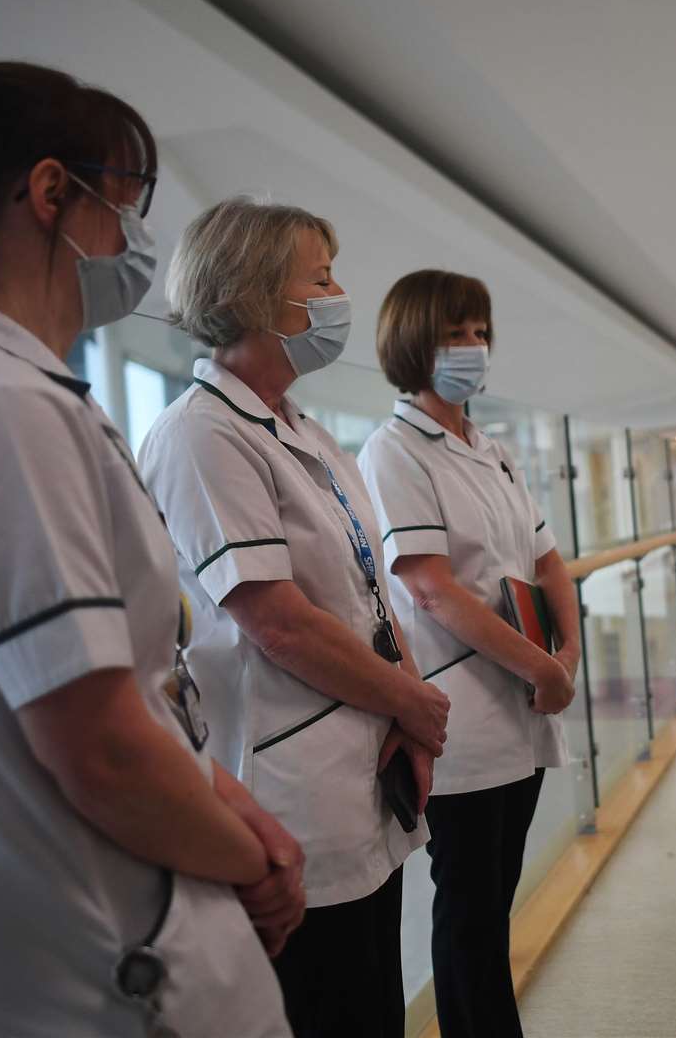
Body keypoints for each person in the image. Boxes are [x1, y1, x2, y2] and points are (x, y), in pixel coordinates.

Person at [0, 62, 296, 1036]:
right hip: (92, 983)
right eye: (127, 204)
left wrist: (229, 806)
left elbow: (127, 705)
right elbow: (101, 747)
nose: (136, 242)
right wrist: (260, 865)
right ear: (48, 194)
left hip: (87, 964)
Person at [139, 198, 447, 1037]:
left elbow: (368, 594)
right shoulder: (199, 434)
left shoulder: (305, 433)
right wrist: (407, 702)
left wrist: (411, 714)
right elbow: (274, 619)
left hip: (364, 770)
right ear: (253, 292)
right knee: (326, 1009)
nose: (337, 293)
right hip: (289, 787)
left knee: (373, 1002)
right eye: (320, 278)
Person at [358, 270, 580, 1038]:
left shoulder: (490, 448)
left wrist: (568, 653)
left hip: (519, 703)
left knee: (492, 912)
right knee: (470, 920)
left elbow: (547, 561)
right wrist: (540, 665)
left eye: (480, 333)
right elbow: (431, 590)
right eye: (457, 334)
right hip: (466, 716)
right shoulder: (394, 451)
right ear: (415, 341)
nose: (473, 348)